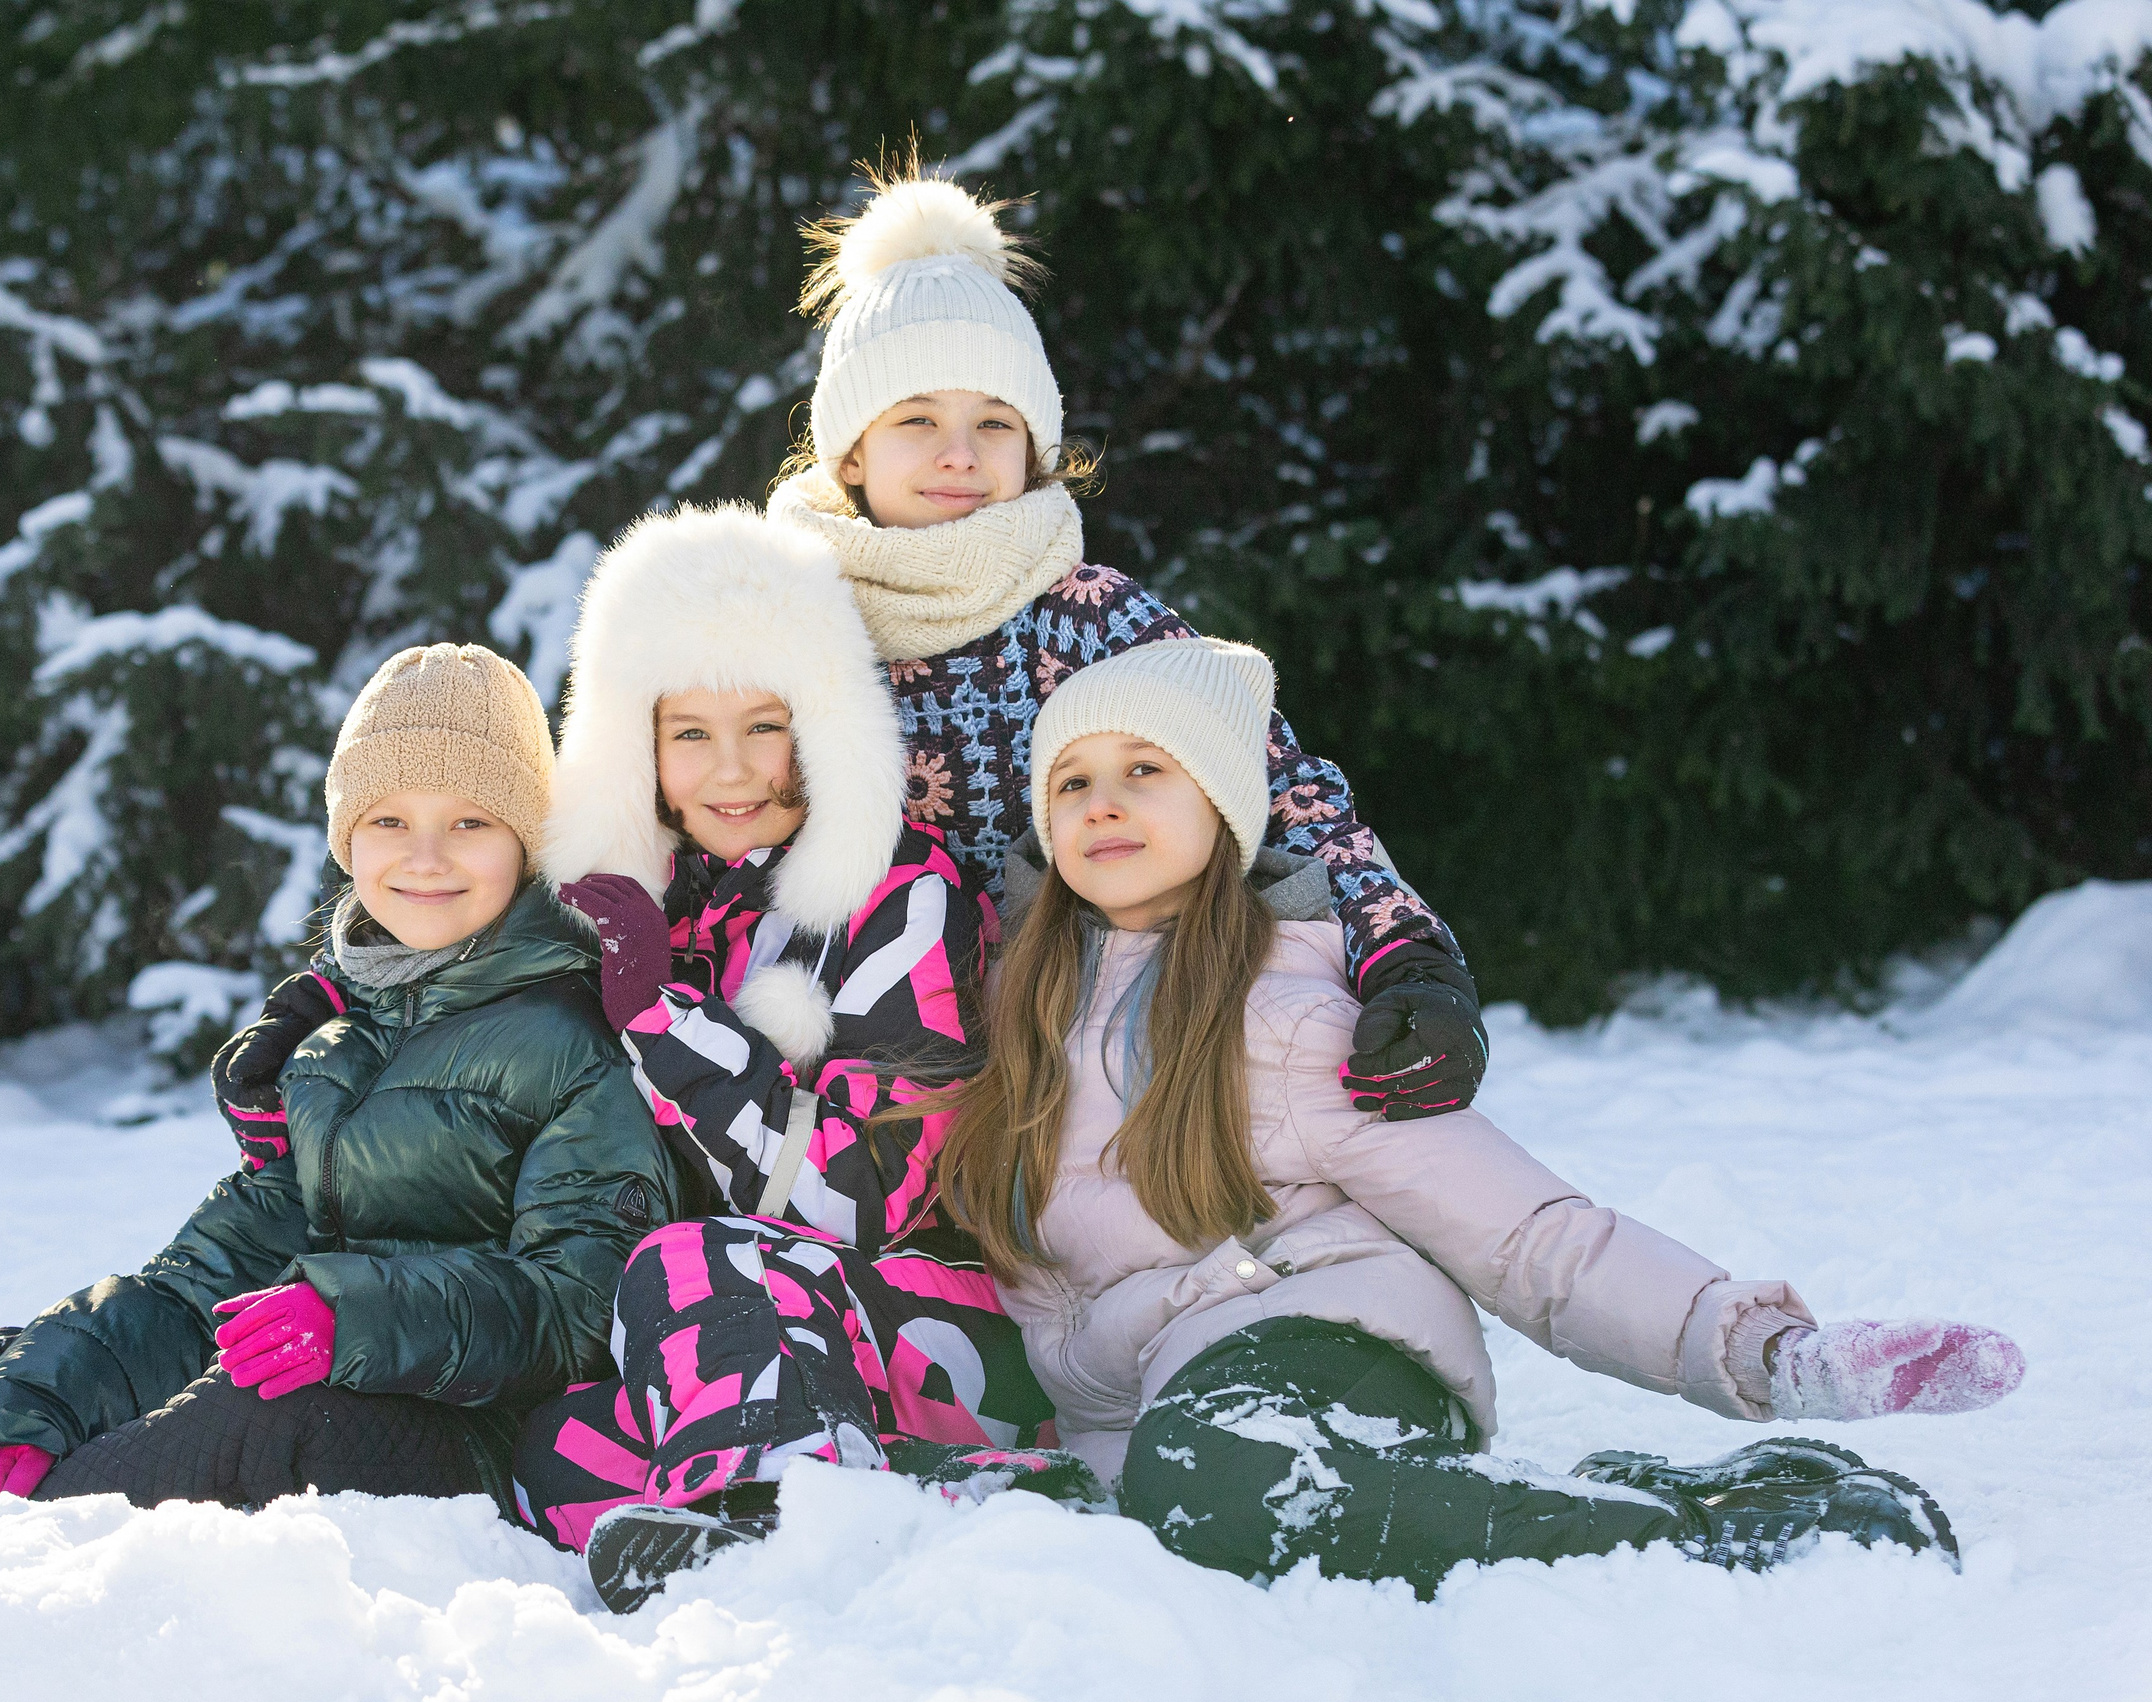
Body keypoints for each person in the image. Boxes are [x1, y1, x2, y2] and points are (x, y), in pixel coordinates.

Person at [934, 636, 2025, 1592]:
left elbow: (1527, 1235)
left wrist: (1766, 1353)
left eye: (1143, 770)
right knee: (1152, 1495)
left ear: (1224, 803)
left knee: (1223, 1472)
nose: (1102, 801)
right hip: (1149, 1408)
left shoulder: (1282, 1014)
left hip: (1325, 1349)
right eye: (1069, 781)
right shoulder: (1005, 1011)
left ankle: (1712, 1527)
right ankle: (1579, 1494)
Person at [766, 160, 1484, 1121]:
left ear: (1036, 445)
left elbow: (1276, 784)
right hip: (833, 1066)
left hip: (1084, 1050)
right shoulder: (777, 615)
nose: (959, 453)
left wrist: (1406, 952)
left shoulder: (1086, 617)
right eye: (917, 420)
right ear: (851, 449)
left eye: (995, 422)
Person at [0, 645, 688, 1516]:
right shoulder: (333, 1042)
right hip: (347, 1375)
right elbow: (209, 1277)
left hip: (493, 1434)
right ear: (346, 839)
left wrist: (357, 1318)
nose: (427, 857)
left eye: (471, 823)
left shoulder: (570, 1037)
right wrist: (46, 1398)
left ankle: (29, 1544)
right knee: (14, 1376)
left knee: (264, 1418)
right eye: (389, 823)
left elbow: (580, 1310)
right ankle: (45, 1499)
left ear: (528, 843)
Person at [508, 503, 1080, 1613]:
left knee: (691, 1261)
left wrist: (664, 1016)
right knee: (556, 1447)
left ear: (819, 730)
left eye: (762, 725)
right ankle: (941, 1502)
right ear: (636, 748)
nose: (729, 771)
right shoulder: (641, 908)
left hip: (940, 1325)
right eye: (687, 733)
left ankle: (773, 1535)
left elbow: (860, 1200)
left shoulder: (900, 894)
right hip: (728, 1342)